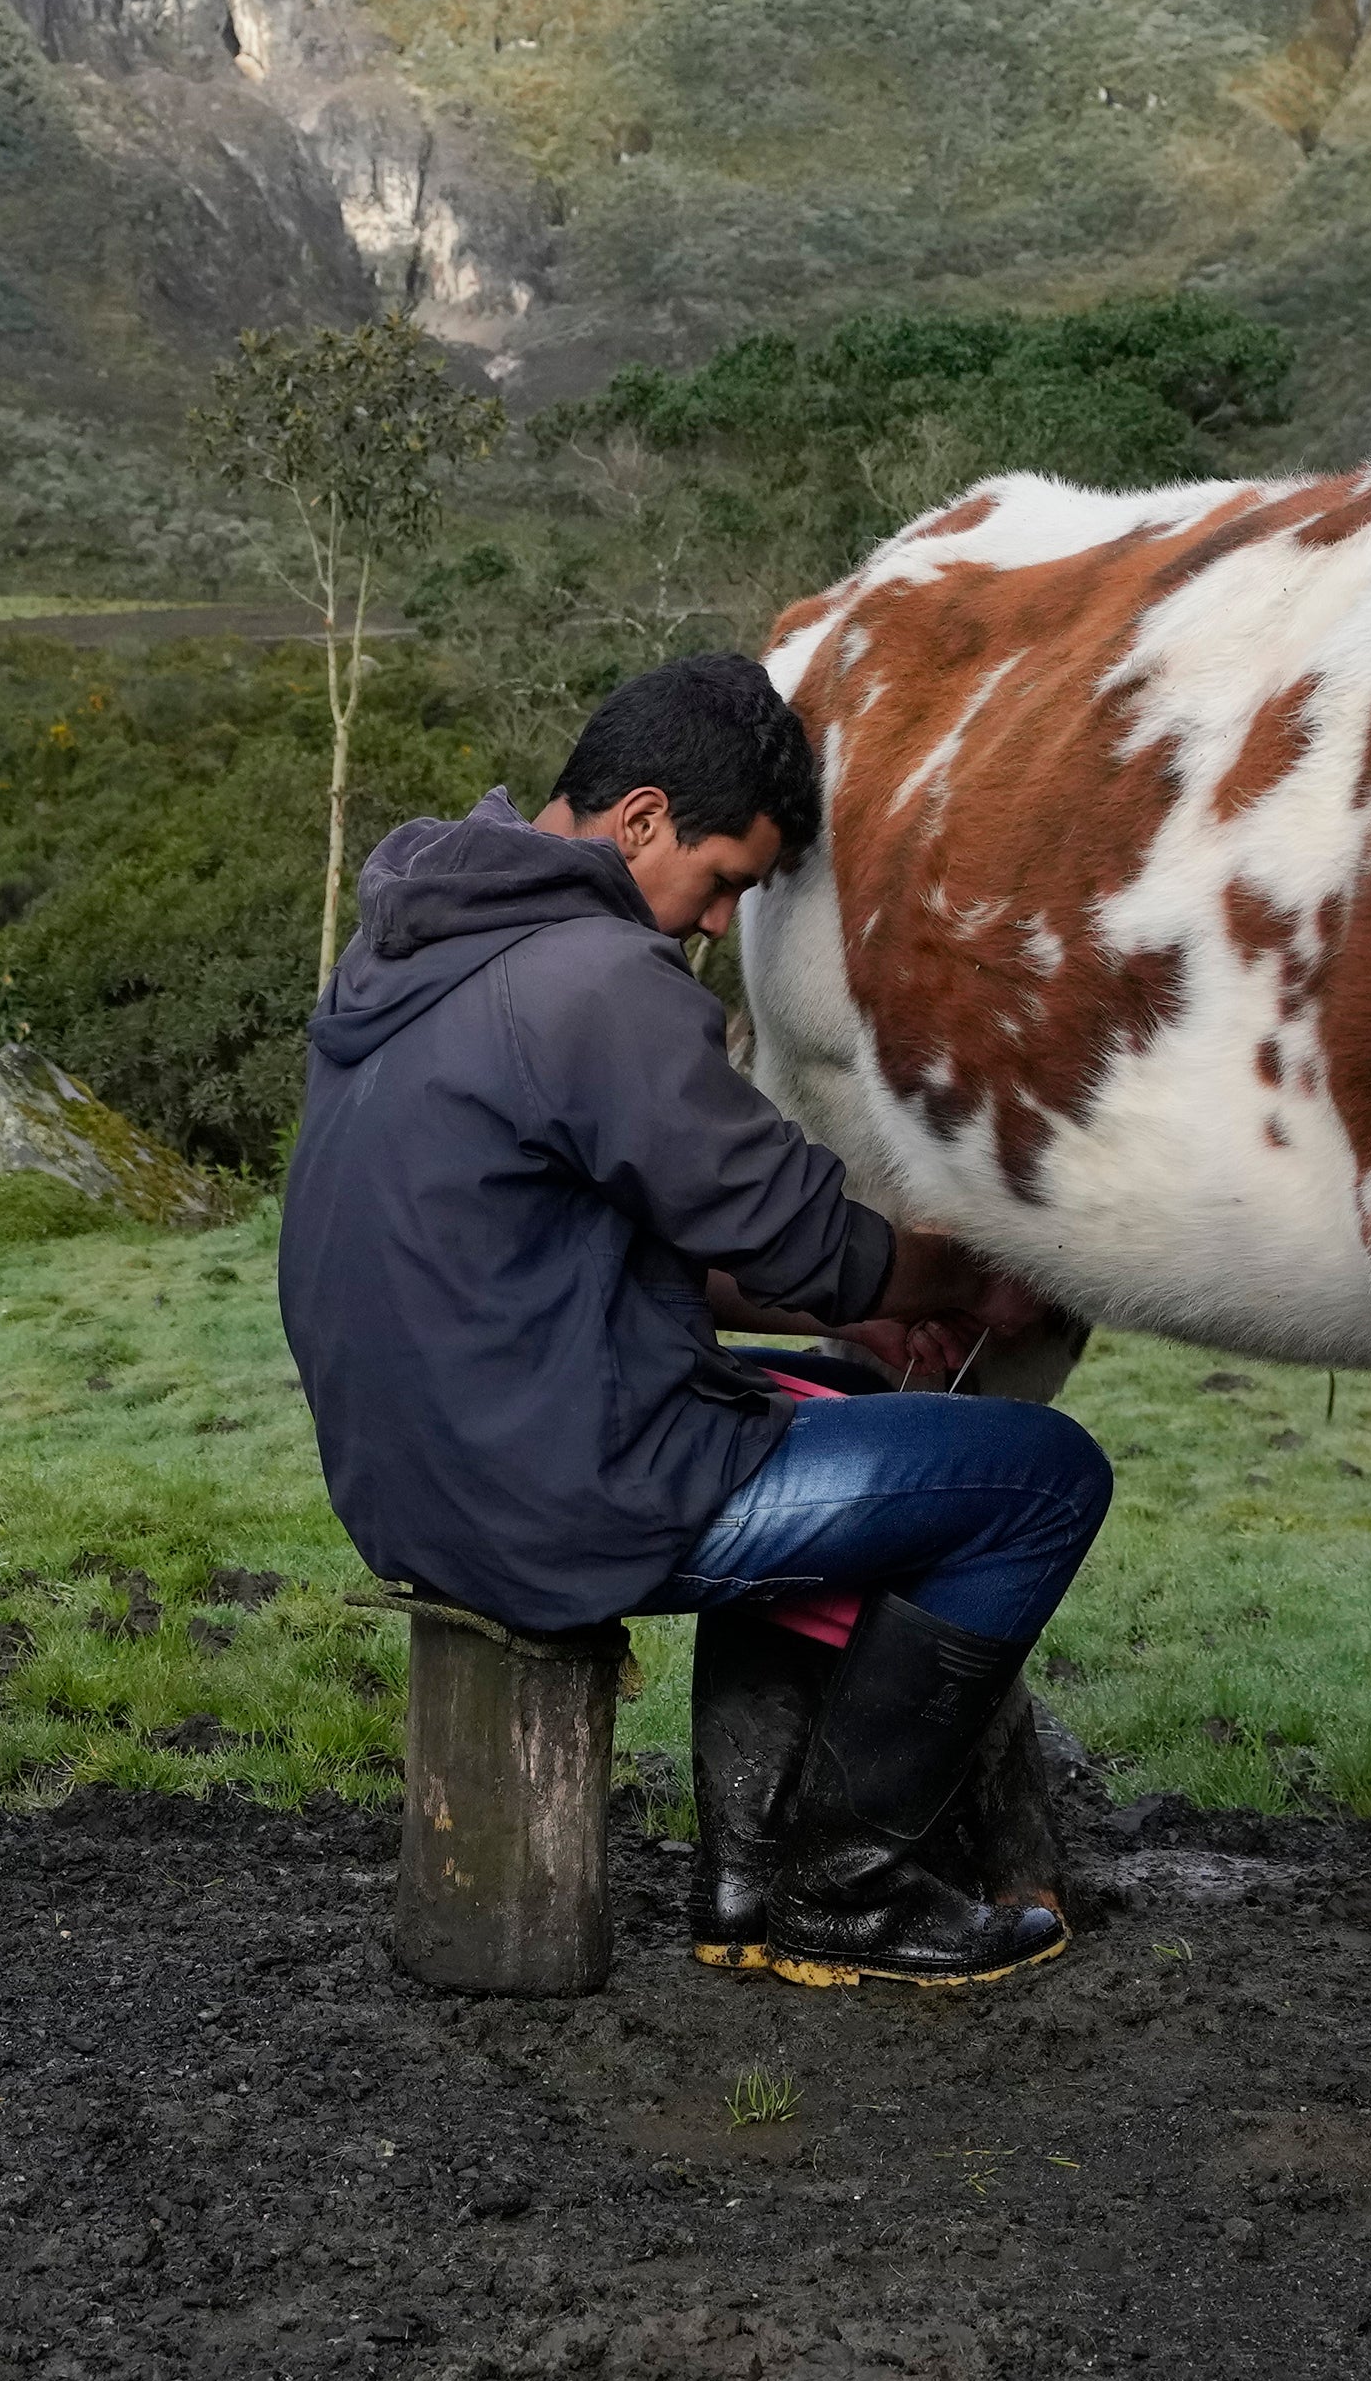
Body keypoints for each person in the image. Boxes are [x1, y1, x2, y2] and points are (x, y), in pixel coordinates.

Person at [279, 651, 1111, 1990]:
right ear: (645, 819)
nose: (717, 924)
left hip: (422, 1467)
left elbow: (598, 1239)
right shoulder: (598, 978)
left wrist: (850, 1324)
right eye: (724, 879)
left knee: (838, 1390)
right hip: (552, 1497)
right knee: (1040, 1480)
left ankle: (739, 1877)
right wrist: (963, 1275)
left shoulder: (412, 945)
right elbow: (794, 1229)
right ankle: (850, 1883)